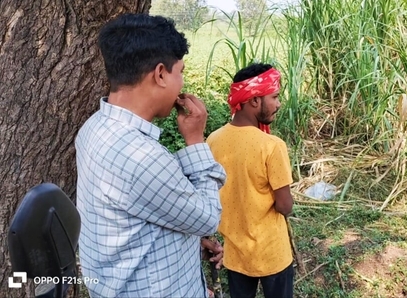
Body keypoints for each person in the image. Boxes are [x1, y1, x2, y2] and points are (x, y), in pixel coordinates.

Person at [75, 13, 226, 298]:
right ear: (159, 74)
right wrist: (195, 140)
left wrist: (184, 245)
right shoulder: (142, 157)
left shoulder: (93, 128)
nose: (181, 82)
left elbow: (134, 216)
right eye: (180, 71)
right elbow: (207, 218)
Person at [206, 63, 294, 298]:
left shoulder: (213, 140)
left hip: (236, 254)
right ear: (254, 100)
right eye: (274, 97)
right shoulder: (272, 146)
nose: (278, 104)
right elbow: (285, 206)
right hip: (272, 255)